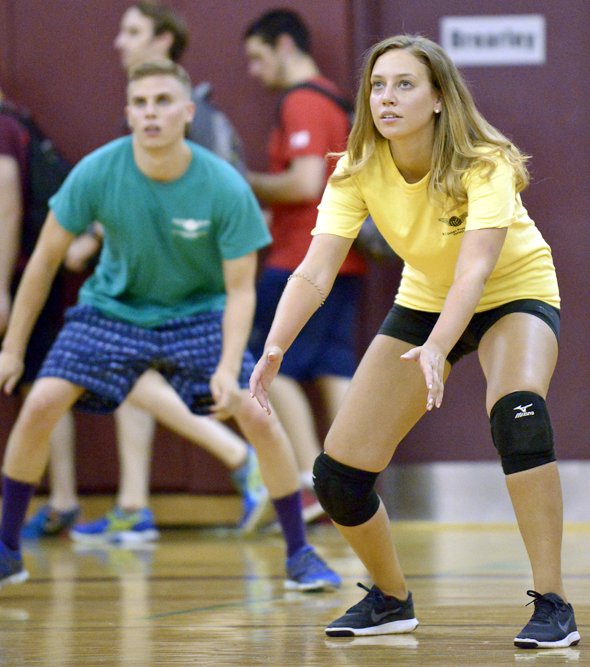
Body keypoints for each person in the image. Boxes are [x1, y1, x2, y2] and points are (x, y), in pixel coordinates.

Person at [249, 34, 580, 649]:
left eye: (404, 84)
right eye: (378, 85)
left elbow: (477, 270)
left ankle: (554, 604)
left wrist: (438, 349)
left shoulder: (486, 160)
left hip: (515, 291)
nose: (387, 98)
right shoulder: (356, 168)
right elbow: (314, 272)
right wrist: (274, 347)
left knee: (518, 412)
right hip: (425, 299)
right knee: (338, 475)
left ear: (437, 99)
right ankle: (390, 598)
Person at [0, 59, 341, 592]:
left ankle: (299, 553)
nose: (150, 113)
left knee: (256, 412)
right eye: (140, 103)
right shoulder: (97, 171)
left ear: (186, 112)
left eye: (162, 102)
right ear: (128, 113)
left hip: (198, 312)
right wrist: (14, 349)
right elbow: (43, 262)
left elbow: (239, 290)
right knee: (41, 400)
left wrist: (229, 368)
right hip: (112, 309)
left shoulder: (223, 185)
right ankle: (6, 549)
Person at [23, 0, 261, 541]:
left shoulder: (188, 119)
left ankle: (239, 459)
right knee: (126, 376)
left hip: (193, 292)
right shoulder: (142, 118)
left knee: (123, 366)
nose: (119, 42)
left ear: (162, 42)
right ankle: (133, 504)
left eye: (132, 32)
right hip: (140, 291)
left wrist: (95, 241)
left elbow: (186, 204)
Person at [243, 10, 366, 515]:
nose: (253, 70)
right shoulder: (336, 99)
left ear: (285, 46)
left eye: (257, 56)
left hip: (303, 257)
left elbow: (302, 183)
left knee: (274, 366)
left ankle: (315, 484)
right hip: (346, 260)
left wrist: (240, 180)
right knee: (335, 366)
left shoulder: (303, 101)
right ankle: (357, 481)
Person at [0, 89, 81, 535]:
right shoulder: (18, 120)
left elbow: (6, 203)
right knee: (40, 387)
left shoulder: (4, 125)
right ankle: (62, 499)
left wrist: (1, 289)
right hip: (22, 274)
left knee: (43, 386)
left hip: (18, 276)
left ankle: (65, 498)